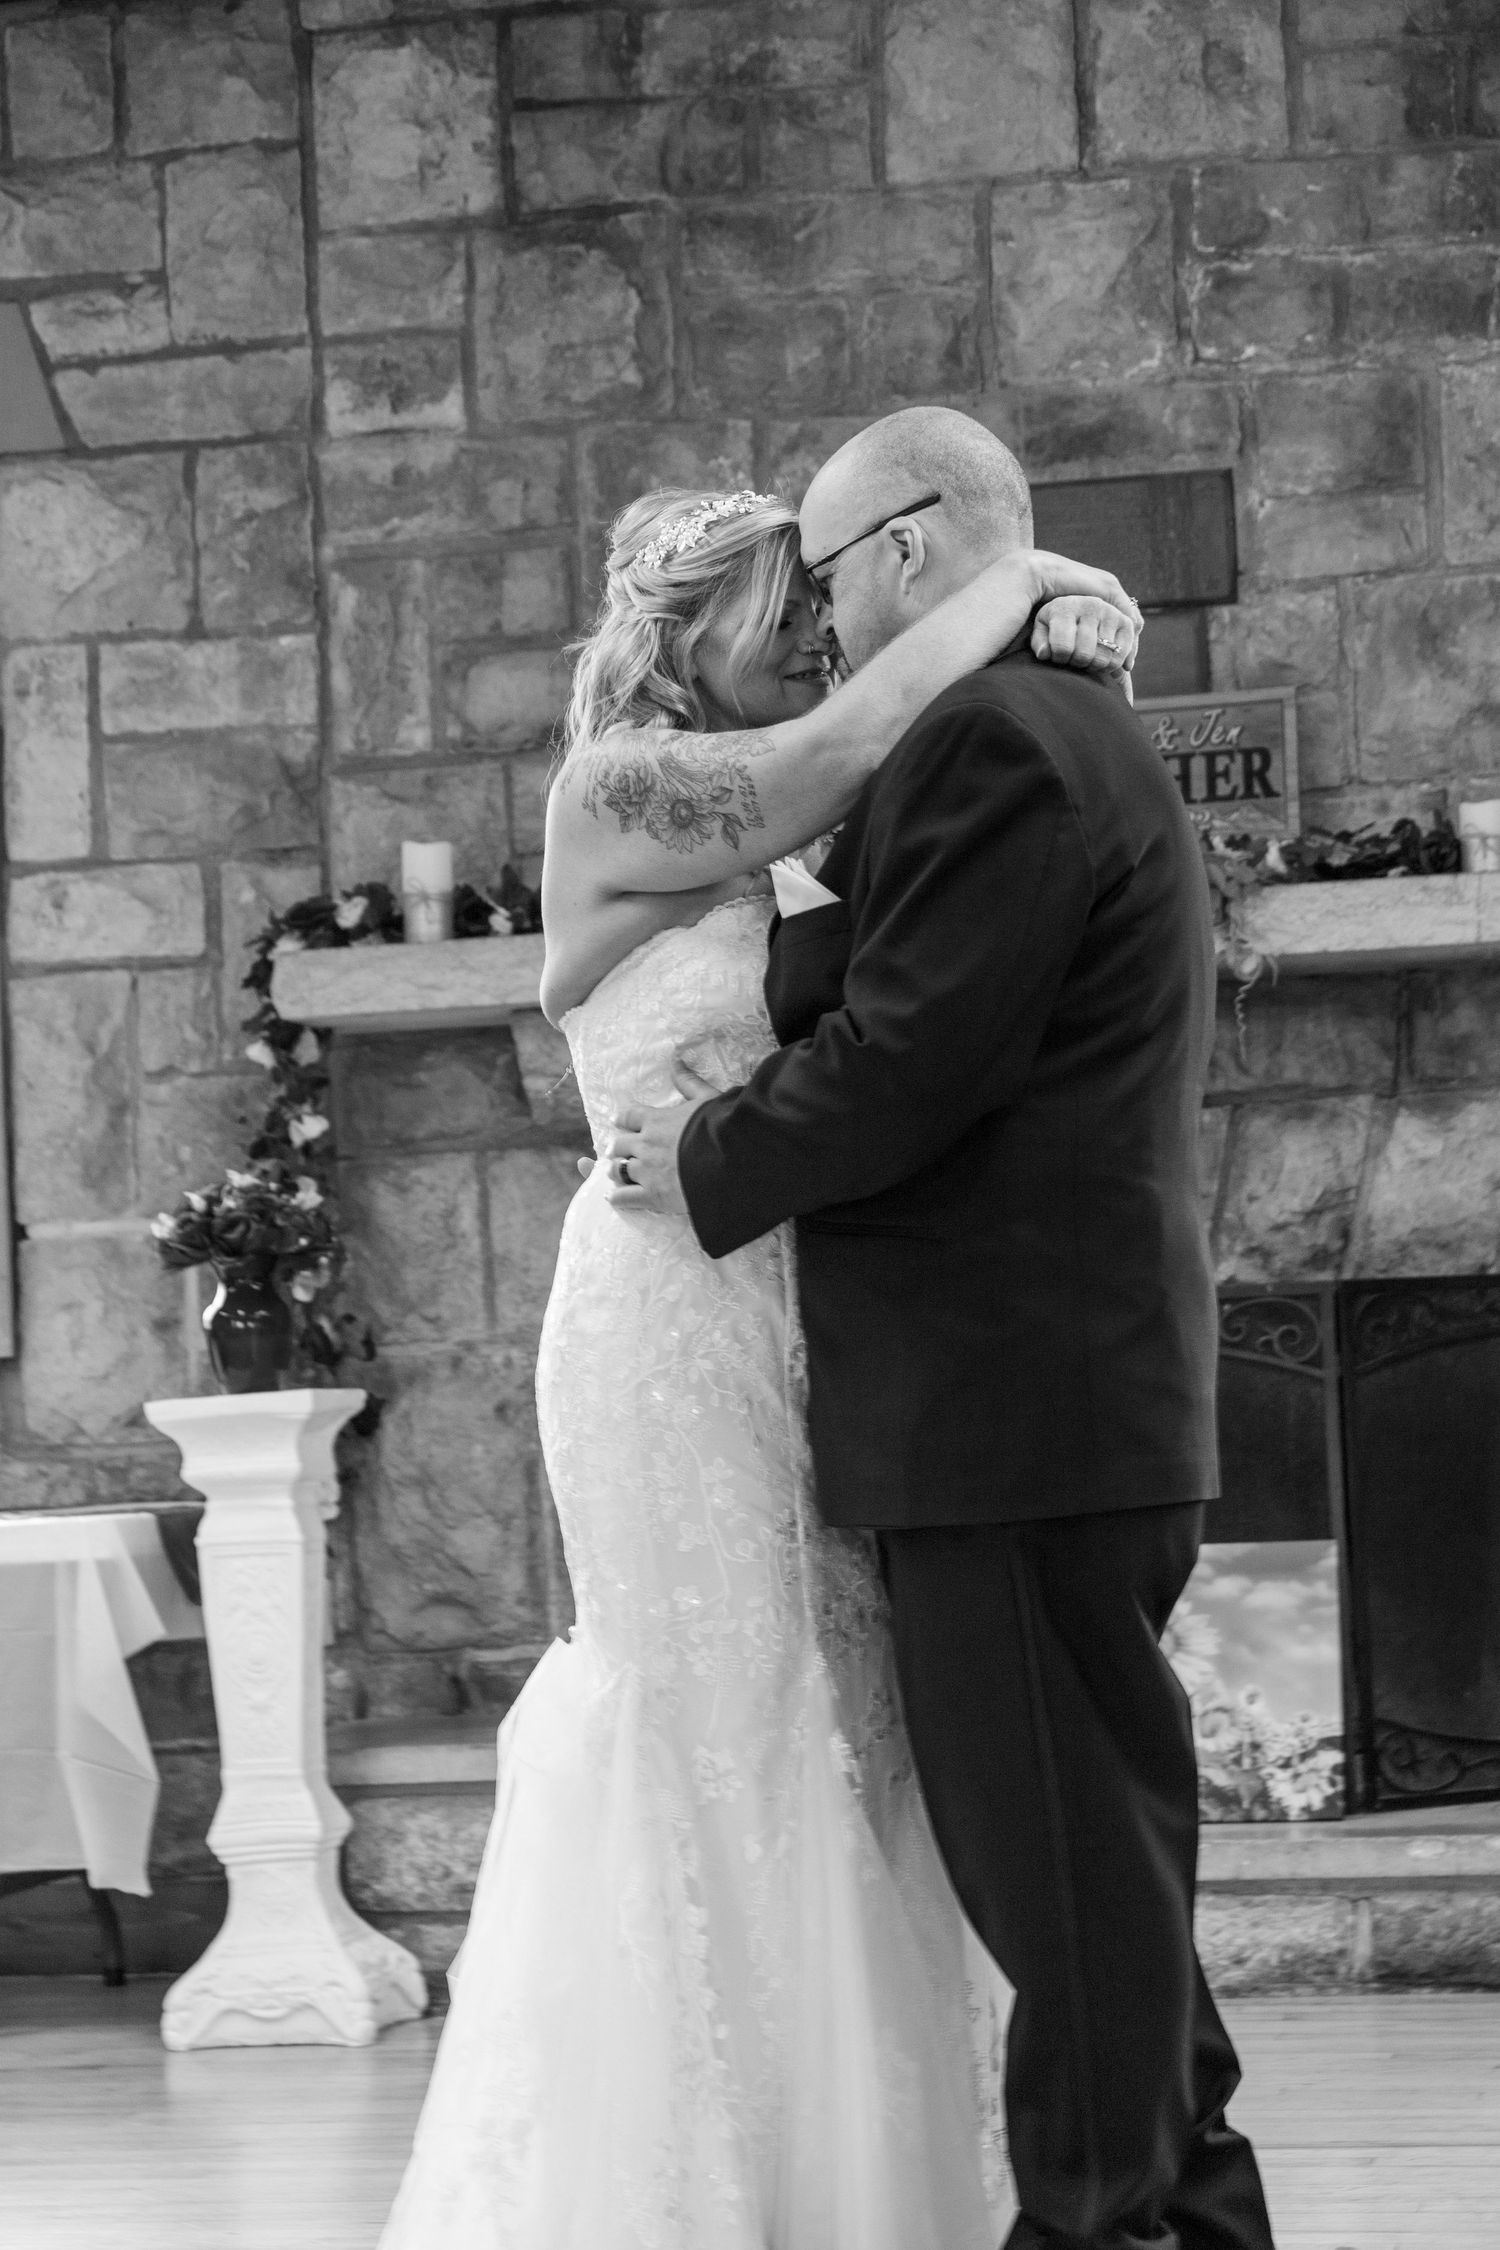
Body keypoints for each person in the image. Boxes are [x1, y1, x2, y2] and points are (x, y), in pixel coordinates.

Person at [376, 476, 1141, 2248]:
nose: (812, 635)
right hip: (660, 1315)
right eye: (776, 608)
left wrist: (1073, 632)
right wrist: (1025, 567)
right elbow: (866, 723)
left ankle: (854, 2183)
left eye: (821, 600)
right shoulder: (624, 785)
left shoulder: (813, 802)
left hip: (809, 1307)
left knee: (847, 1717)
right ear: (677, 628)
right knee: (713, 1710)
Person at [607, 409, 1277, 2250]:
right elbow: (912, 989)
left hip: (1013, 1413)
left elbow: (913, 1060)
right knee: (1095, 1885)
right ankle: (1194, 2225)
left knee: (1062, 1894)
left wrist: (704, 1150)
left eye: (824, 580)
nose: (822, 626)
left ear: (905, 550)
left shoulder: (994, 735)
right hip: (1052, 1402)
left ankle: (1102, 2233)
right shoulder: (1051, 721)